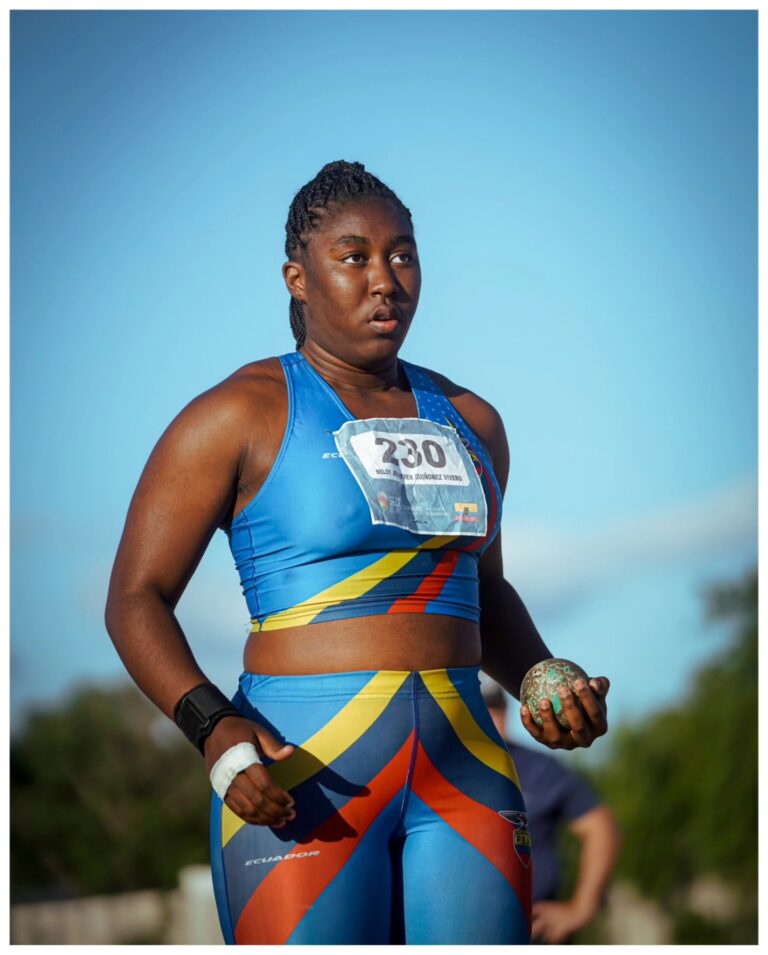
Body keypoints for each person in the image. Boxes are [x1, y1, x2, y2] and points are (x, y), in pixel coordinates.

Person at [104, 160, 610, 945]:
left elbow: (484, 589)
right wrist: (214, 729)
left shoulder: (472, 420)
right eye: (354, 257)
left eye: (403, 254)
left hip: (465, 769)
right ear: (296, 278)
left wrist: (543, 676)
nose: (386, 279)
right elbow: (135, 598)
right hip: (301, 773)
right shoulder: (236, 415)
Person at [482, 678, 620, 944]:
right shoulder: (437, 770)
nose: (490, 718)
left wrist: (582, 907)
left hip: (536, 932)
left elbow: (600, 826)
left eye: (495, 708)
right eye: (480, 709)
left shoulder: (540, 768)